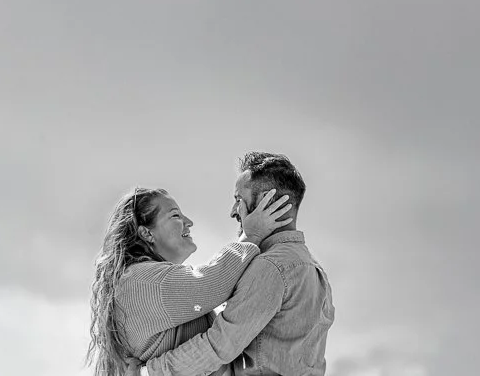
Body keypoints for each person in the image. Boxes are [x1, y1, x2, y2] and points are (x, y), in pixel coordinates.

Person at [139, 152, 335, 376]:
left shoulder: (271, 267)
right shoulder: (312, 267)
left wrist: (147, 372)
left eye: (238, 200)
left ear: (266, 202)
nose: (233, 211)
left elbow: (219, 345)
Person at [87, 183, 294, 376]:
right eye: (176, 216)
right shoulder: (142, 281)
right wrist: (252, 235)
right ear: (147, 233)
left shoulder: (142, 280)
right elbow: (210, 284)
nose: (189, 222)